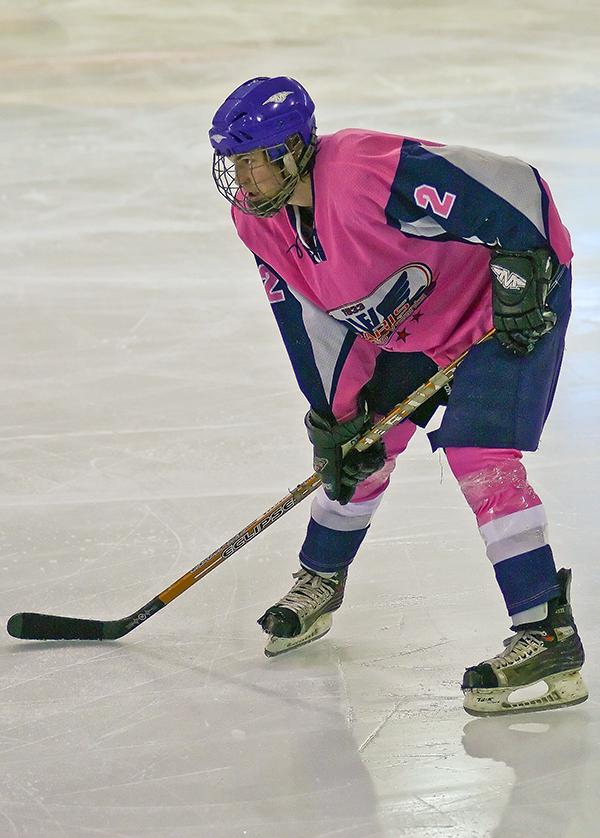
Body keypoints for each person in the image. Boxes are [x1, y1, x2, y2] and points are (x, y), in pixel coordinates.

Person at [208, 76, 587, 716]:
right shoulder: (257, 221)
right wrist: (335, 416)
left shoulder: (366, 172)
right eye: (234, 163)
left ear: (294, 149)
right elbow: (308, 322)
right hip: (415, 323)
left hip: (505, 307)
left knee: (480, 457)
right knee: (361, 444)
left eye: (254, 160)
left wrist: (524, 264)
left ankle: (546, 633)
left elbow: (518, 186)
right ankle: (320, 579)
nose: (242, 179)